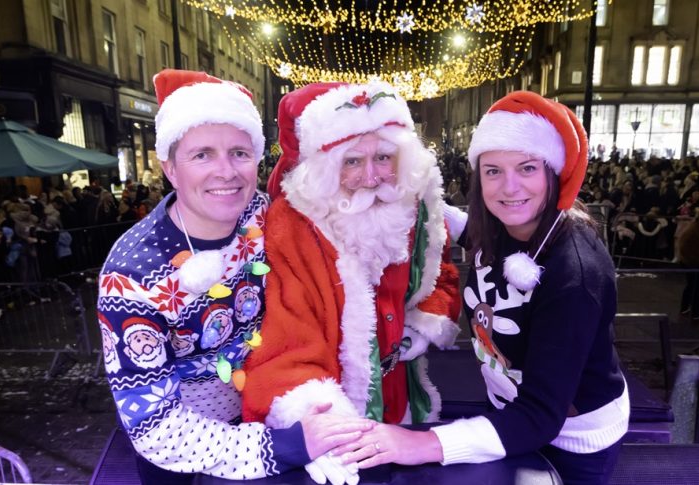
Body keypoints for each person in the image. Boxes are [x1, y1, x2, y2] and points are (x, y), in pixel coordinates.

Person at [331, 91, 629, 484]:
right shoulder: (502, 226)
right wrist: (398, 189)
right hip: (508, 416)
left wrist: (420, 443)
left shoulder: (573, 274)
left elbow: (541, 415)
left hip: (571, 439)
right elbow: (459, 223)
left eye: (526, 168)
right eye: (493, 171)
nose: (508, 188)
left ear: (553, 172)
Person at [96, 70, 371, 484]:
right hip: (189, 457)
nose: (226, 172)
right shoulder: (132, 276)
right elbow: (154, 429)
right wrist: (292, 445)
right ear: (170, 168)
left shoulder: (264, 213)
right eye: (202, 154)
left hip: (273, 411)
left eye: (240, 153)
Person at [242, 81, 461, 467]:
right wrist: (323, 424)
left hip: (405, 396)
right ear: (327, 168)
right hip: (337, 402)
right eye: (353, 161)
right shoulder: (294, 226)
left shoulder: (417, 207)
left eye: (383, 158)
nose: (372, 177)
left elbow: (440, 272)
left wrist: (425, 320)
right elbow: (285, 336)